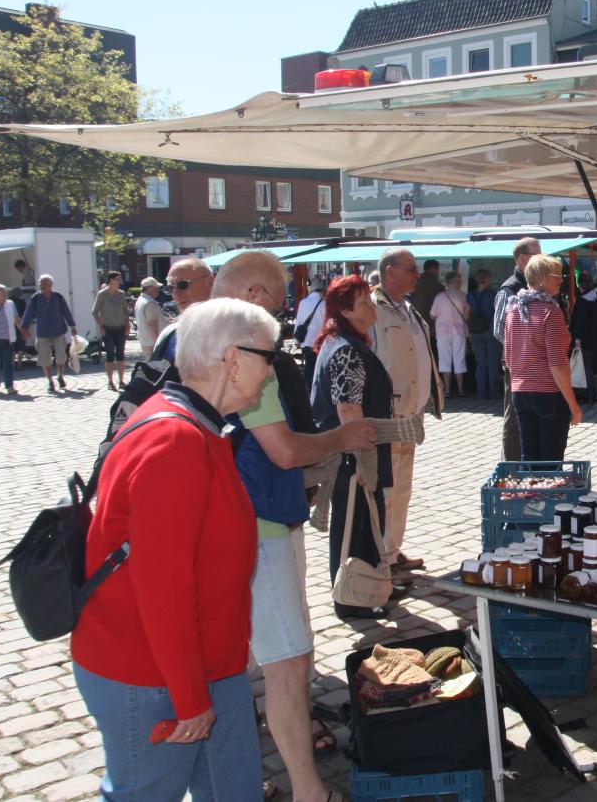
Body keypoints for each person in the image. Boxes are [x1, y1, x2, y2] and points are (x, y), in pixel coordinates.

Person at [71, 298, 278, 800]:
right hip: (153, 673)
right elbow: (162, 587)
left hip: (207, 662)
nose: (273, 372)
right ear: (233, 359)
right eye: (270, 357)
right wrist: (188, 697)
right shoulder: (176, 441)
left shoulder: (194, 423)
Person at [212, 251, 374, 802]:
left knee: (253, 661)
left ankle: (236, 778)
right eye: (279, 308)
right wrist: (340, 438)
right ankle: (310, 792)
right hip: (259, 525)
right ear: (253, 297)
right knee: (286, 661)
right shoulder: (237, 356)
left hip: (245, 521)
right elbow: (281, 450)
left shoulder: (193, 342)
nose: (282, 326)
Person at [310, 276, 422, 619]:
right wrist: (360, 463)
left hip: (357, 453)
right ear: (345, 311)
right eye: (364, 303)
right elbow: (348, 411)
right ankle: (352, 599)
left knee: (365, 524)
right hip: (352, 457)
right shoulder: (345, 350)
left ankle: (372, 585)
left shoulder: (346, 342)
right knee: (354, 528)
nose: (372, 307)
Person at [372, 248, 444, 576]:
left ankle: (392, 550)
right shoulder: (373, 308)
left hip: (411, 413)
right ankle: (380, 558)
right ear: (390, 271)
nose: (417, 274)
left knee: (402, 489)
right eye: (411, 268)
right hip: (389, 414)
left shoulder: (407, 307)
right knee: (385, 490)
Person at [503, 254, 582, 461]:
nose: (561, 279)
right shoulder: (551, 312)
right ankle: (546, 493)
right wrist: (573, 405)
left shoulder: (514, 309)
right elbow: (558, 364)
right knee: (550, 460)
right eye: (557, 275)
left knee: (529, 458)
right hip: (547, 393)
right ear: (541, 279)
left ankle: (531, 492)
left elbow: (509, 357)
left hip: (520, 392)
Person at [493, 238, 542, 460]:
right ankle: (511, 465)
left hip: (533, 363)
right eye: (537, 255)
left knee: (532, 414)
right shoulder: (510, 287)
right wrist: (523, 350)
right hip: (517, 364)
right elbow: (499, 329)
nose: (542, 259)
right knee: (514, 416)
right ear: (523, 259)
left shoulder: (532, 285)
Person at [21, 274, 78, 392]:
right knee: (44, 357)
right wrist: (24, 327)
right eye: (41, 284)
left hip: (58, 330)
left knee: (61, 356)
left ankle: (60, 376)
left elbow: (66, 311)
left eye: (45, 284)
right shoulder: (36, 298)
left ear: (51, 285)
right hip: (43, 332)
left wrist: (72, 325)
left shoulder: (58, 297)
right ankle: (50, 381)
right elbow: (28, 312)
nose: (42, 286)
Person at [430, 270, 469, 396]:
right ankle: (461, 389)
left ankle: (447, 390)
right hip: (459, 330)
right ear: (457, 282)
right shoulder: (464, 296)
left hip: (442, 331)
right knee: (459, 359)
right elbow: (467, 316)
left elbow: (432, 315)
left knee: (444, 359)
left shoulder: (440, 296)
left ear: (447, 282)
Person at [569, 271, 597, 403]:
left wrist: (577, 339)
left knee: (585, 367)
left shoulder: (582, 301)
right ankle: (591, 392)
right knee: (588, 366)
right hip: (594, 337)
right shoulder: (595, 297)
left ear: (580, 285)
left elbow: (579, 323)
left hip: (584, 339)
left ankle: (590, 393)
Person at [92, 271, 133, 391]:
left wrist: (127, 326)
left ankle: (121, 381)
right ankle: (110, 382)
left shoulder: (121, 294)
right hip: (108, 329)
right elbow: (95, 312)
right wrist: (101, 326)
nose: (120, 281)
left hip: (120, 328)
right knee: (110, 355)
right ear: (111, 280)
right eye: (118, 279)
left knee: (120, 355)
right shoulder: (102, 294)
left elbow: (126, 312)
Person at [467, 269, 499, 399]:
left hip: (476, 331)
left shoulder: (470, 295)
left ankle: (480, 393)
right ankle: (494, 393)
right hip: (491, 331)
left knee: (480, 363)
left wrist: (469, 329)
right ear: (487, 280)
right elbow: (498, 310)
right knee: (492, 362)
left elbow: (466, 314)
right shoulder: (492, 294)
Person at [295, 276, 329, 388]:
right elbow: (327, 323)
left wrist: (297, 340)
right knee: (320, 367)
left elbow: (299, 322)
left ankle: (309, 390)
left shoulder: (303, 302)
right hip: (320, 341)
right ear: (322, 291)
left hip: (306, 340)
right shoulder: (323, 304)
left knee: (309, 367)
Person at [134, 276, 165, 359]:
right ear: (149, 288)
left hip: (146, 341)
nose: (158, 290)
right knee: (156, 368)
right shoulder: (149, 302)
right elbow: (151, 323)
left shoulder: (140, 300)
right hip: (152, 343)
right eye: (156, 287)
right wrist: (157, 343)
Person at [409, 259, 443, 326]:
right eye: (438, 269)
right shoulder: (435, 282)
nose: (438, 271)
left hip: (414, 313)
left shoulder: (415, 279)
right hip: (429, 316)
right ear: (433, 268)